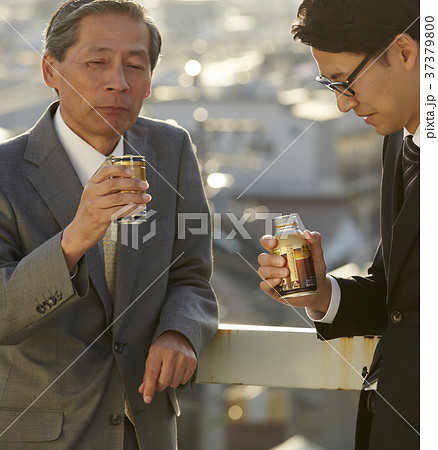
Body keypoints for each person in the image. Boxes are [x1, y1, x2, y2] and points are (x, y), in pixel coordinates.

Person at [0, 1, 218, 448]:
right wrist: (73, 240)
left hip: (147, 428)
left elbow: (191, 275)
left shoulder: (170, 149)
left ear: (151, 81)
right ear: (50, 71)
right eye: (96, 62)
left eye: (135, 65)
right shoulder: (6, 172)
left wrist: (181, 331)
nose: (117, 82)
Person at [258, 1, 419, 449]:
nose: (343, 104)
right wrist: (322, 294)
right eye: (329, 85)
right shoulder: (397, 142)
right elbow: (401, 301)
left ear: (405, 52)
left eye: (345, 82)